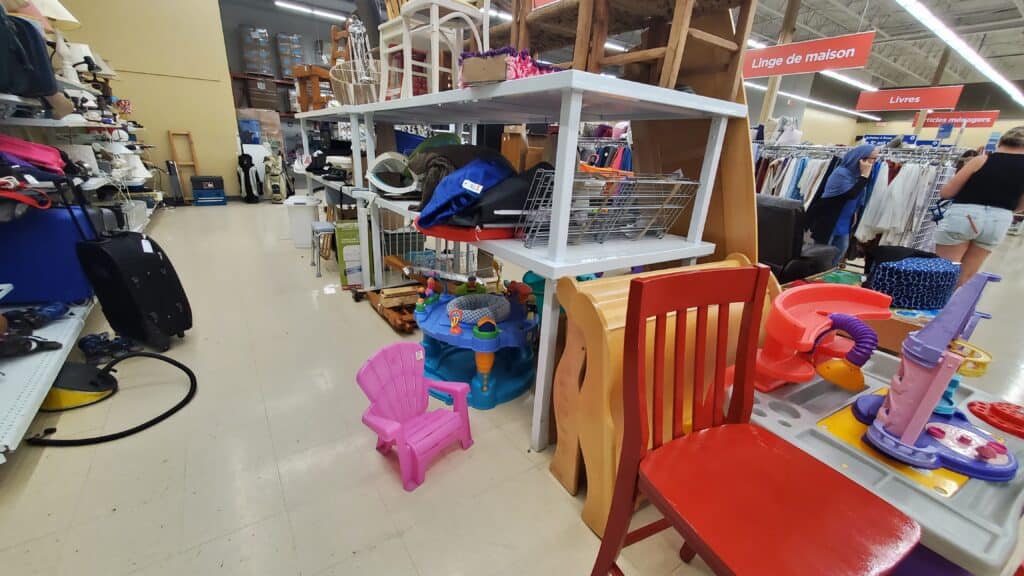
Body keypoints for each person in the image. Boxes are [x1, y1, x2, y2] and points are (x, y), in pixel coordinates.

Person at [934, 126, 1024, 286]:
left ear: (1001, 142)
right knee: (965, 276)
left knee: (943, 271)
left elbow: (947, 192)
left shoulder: (982, 160)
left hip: (965, 215)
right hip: (1000, 219)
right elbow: (1020, 206)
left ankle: (927, 308)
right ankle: (948, 309)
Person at [808, 144, 879, 266]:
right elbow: (851, 194)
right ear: (860, 158)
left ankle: (828, 280)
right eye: (871, 158)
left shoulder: (857, 176)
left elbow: (859, 197)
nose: (873, 162)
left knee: (838, 255)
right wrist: (864, 176)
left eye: (875, 159)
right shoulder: (841, 173)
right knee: (822, 256)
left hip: (844, 223)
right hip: (829, 221)